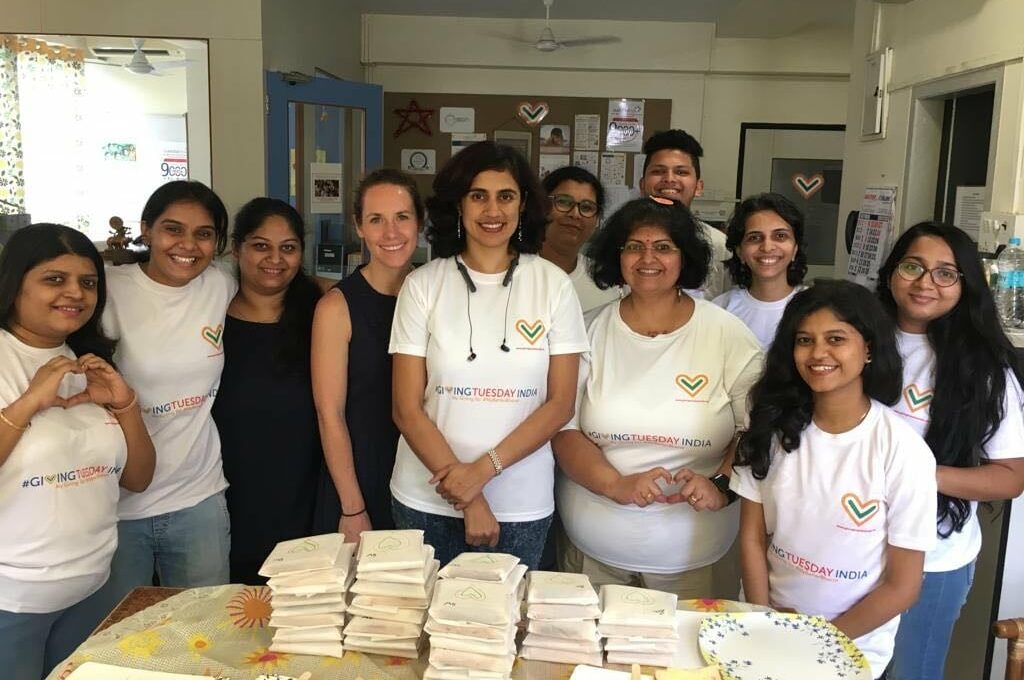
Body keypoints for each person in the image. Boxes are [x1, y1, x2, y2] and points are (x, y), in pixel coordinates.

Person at [390, 141, 588, 568]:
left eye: (506, 196)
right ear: (458, 205)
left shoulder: (553, 285)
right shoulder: (423, 285)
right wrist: (469, 496)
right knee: (423, 629)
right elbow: (406, 409)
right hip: (426, 498)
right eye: (478, 196)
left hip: (519, 503)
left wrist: (480, 474)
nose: (492, 210)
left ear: (524, 206)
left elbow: (559, 405)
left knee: (503, 629)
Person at [554, 197, 763, 599]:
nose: (647, 257)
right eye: (634, 246)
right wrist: (615, 484)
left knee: (689, 662)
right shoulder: (588, 331)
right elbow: (564, 428)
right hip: (594, 558)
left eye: (664, 246)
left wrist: (720, 484)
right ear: (616, 257)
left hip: (695, 558)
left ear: (686, 257)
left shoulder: (726, 334)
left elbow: (756, 429)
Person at [732, 281, 937, 679]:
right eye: (804, 340)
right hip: (766, 631)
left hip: (851, 648)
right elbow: (752, 538)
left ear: (869, 349)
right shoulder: (773, 429)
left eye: (836, 339)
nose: (818, 353)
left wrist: (813, 643)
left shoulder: (902, 451)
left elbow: (903, 586)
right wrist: (766, 621)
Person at [0, 224, 155, 680]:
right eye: (54, 279)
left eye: (88, 283)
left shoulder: (89, 362)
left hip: (93, 586)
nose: (75, 293)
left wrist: (125, 404)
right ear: (14, 284)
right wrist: (29, 402)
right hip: (14, 598)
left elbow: (138, 479)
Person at [876, 223, 1024, 680]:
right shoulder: (853, 339)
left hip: (932, 558)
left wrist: (920, 474)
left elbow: (1010, 476)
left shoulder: (982, 369)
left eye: (946, 274)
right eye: (913, 266)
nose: (925, 283)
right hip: (844, 549)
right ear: (891, 272)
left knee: (911, 674)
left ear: (966, 287)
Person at [97, 181, 236, 605]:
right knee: (118, 645)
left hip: (199, 496)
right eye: (173, 229)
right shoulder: (106, 289)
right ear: (147, 230)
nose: (188, 245)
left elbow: (282, 282)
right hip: (115, 506)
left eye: (204, 234)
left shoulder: (221, 284)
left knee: (206, 636)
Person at [211, 198, 323, 584]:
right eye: (261, 245)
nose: (275, 259)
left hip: (303, 490)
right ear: (236, 248)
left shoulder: (322, 313)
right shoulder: (209, 313)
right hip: (226, 488)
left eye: (288, 248)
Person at [312, 169, 424, 539]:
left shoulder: (437, 293)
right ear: (359, 227)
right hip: (362, 478)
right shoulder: (337, 308)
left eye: (402, 218)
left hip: (428, 479)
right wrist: (352, 506)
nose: (390, 233)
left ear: (419, 223)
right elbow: (330, 415)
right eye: (376, 220)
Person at [638, 129, 729, 299]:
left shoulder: (719, 246)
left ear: (699, 186)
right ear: (642, 184)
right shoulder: (622, 238)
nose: (669, 179)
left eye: (681, 172)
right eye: (658, 171)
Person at [713, 193, 808, 348]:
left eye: (780, 236)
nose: (767, 247)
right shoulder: (721, 308)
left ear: (795, 248)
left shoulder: (813, 306)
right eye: (755, 238)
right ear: (739, 251)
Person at [539, 166, 622, 314]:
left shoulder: (605, 282)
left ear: (597, 220)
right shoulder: (512, 271)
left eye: (587, 207)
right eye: (563, 202)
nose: (575, 214)